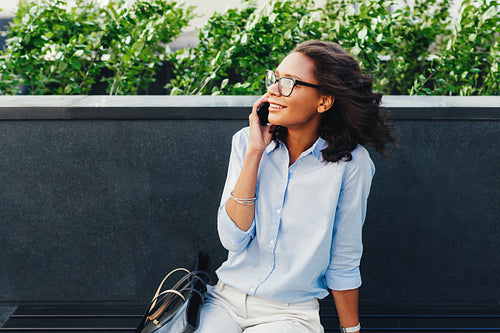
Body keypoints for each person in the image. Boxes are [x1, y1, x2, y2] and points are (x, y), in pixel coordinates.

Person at [196, 40, 397, 333]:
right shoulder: (245, 143)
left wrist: (351, 331)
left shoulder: (351, 165)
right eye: (274, 79)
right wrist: (255, 153)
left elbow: (344, 259)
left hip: (289, 315)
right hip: (224, 300)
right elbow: (232, 240)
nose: (273, 91)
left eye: (288, 83)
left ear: (324, 101)